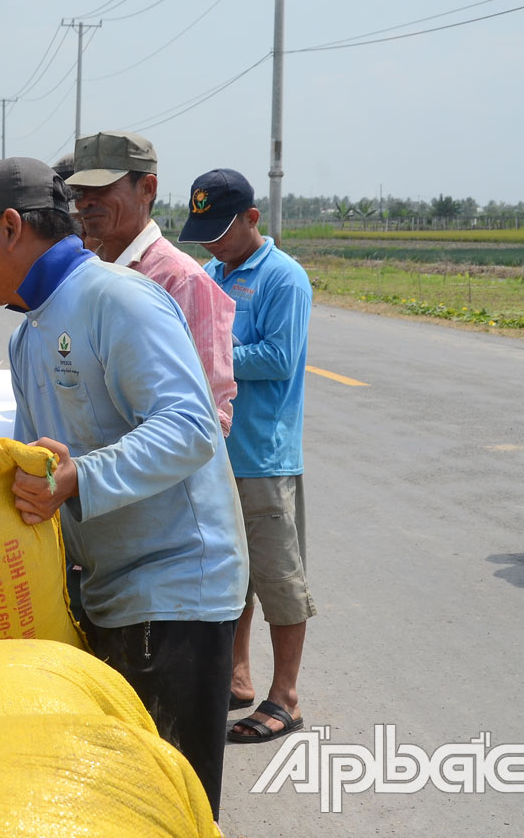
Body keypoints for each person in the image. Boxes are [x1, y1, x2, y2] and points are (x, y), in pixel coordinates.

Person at [0, 157, 247, 820]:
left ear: (11, 227)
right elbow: (37, 467)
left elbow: (191, 428)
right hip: (111, 590)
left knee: (169, 809)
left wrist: (79, 478)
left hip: (176, 591)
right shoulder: (30, 335)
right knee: (120, 805)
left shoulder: (115, 299)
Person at [179, 168, 315, 745]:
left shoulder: (284, 279)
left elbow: (280, 358)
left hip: (263, 455)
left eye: (222, 230)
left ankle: (285, 698)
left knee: (278, 576)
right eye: (203, 230)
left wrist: (213, 346)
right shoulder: (211, 274)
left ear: (253, 220)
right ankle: (236, 675)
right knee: (231, 576)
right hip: (217, 451)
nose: (211, 243)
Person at [66, 131, 236, 436]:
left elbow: (211, 415)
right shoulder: (85, 273)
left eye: (102, 188)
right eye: (80, 192)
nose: (86, 202)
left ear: (147, 188)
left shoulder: (180, 279)